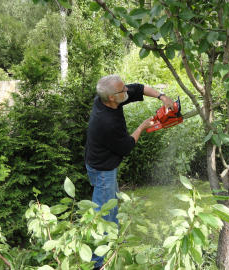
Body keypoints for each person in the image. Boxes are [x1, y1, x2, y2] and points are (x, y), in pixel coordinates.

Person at [85, 75, 173, 269]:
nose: (127, 91)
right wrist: (142, 127)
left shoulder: (113, 96)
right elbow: (125, 147)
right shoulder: (105, 122)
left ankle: (113, 246)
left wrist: (162, 97)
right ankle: (98, 263)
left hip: (101, 164)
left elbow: (140, 88)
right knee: (103, 217)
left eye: (124, 87)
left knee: (111, 207)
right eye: (123, 90)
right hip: (102, 171)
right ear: (110, 98)